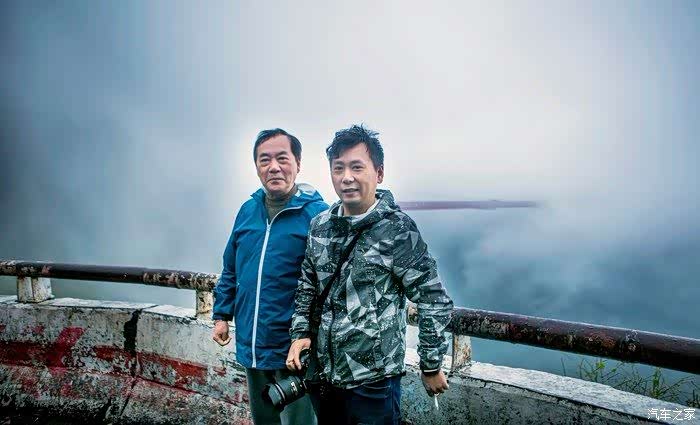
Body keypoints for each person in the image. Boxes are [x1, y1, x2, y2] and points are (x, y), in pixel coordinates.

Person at [286, 124, 453, 425]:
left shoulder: (396, 229)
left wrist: (430, 364)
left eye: (357, 167)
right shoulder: (320, 226)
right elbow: (307, 286)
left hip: (374, 382)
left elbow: (433, 298)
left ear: (379, 173)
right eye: (338, 168)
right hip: (324, 376)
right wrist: (300, 335)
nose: (346, 177)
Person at [212, 128, 328, 425]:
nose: (273, 167)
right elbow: (231, 268)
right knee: (263, 419)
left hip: (294, 349)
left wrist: (311, 336)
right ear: (257, 167)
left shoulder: (318, 215)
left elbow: (328, 283)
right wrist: (222, 315)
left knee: (299, 422)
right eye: (265, 160)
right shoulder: (247, 211)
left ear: (297, 163)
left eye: (282, 158)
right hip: (252, 343)